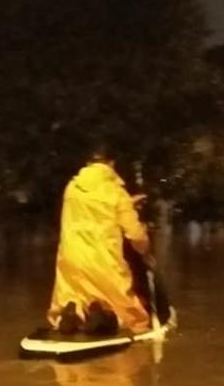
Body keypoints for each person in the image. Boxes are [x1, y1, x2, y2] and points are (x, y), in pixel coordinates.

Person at [48, 144, 154, 335]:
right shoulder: (115, 192)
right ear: (112, 163)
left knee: (74, 295)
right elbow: (135, 235)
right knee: (132, 317)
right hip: (103, 262)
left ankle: (72, 314)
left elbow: (90, 212)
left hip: (71, 261)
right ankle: (105, 317)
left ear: (88, 163)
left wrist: (127, 203)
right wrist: (145, 250)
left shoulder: (72, 188)